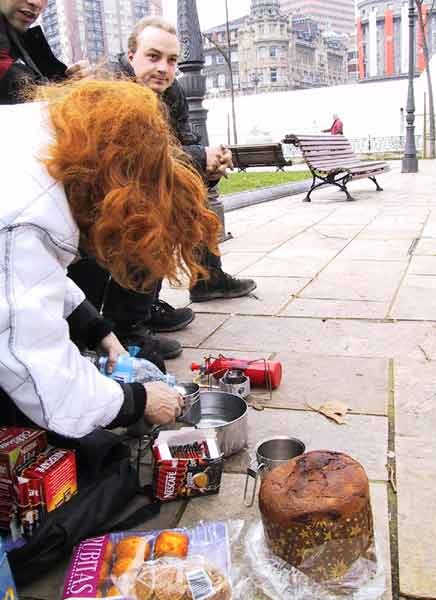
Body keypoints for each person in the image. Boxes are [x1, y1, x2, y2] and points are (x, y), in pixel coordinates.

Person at [0, 78, 220, 438]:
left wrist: (101, 332)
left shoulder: (45, 136)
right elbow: (42, 379)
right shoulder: (24, 218)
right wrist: (137, 400)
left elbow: (31, 277)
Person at [68, 17, 256, 357]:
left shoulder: (174, 93)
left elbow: (184, 146)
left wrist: (211, 166)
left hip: (140, 187)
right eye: (153, 57)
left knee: (186, 203)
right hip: (95, 198)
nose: (163, 69)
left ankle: (166, 299)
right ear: (130, 56)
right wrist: (198, 157)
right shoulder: (108, 87)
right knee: (148, 216)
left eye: (171, 61)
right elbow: (130, 157)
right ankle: (128, 330)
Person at [0, 0, 90, 104]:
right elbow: (15, 85)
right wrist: (77, 93)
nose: (36, 3)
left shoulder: (23, 42)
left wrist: (73, 79)